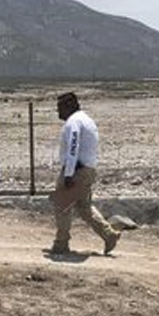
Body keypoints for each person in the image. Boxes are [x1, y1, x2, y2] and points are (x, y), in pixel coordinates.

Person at [50, 92, 121, 256]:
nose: (58, 112)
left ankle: (61, 243)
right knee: (84, 207)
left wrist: (68, 173)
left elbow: (73, 147)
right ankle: (108, 235)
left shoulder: (74, 122)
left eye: (59, 108)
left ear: (69, 106)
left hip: (76, 171)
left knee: (62, 206)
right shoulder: (87, 120)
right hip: (87, 170)